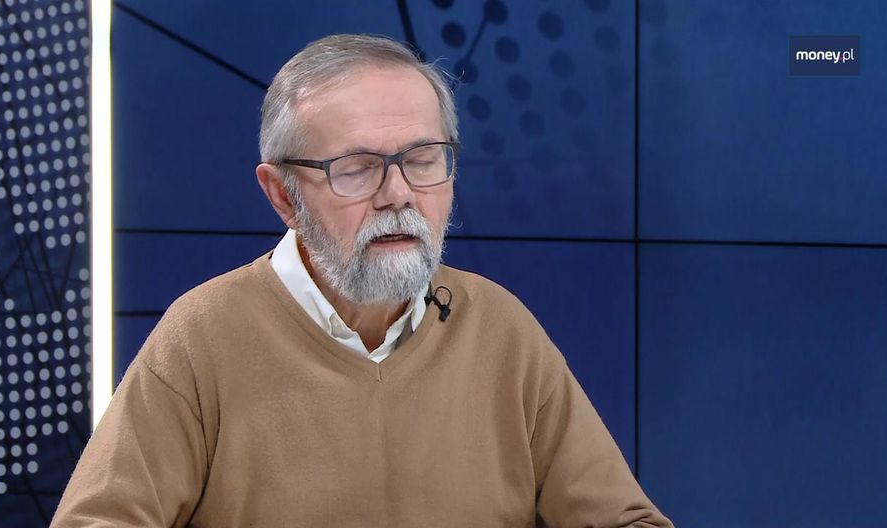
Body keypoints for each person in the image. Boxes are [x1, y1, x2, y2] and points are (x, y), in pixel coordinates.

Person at [52, 34, 673, 527]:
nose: (398, 193)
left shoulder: (500, 327)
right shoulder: (201, 337)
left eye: (422, 160)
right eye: (357, 168)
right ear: (283, 195)